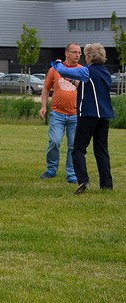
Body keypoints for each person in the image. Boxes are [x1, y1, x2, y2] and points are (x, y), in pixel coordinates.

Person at [51, 43, 114, 194]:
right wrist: (73, 82)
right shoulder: (105, 72)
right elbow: (92, 86)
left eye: (86, 55)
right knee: (101, 151)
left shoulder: (86, 71)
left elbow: (61, 70)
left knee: (78, 149)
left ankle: (83, 180)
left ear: (91, 57)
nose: (84, 57)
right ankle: (107, 185)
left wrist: (57, 62)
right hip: (104, 115)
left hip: (88, 114)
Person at [38, 43, 82, 184]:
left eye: (79, 52)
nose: (77, 55)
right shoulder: (55, 70)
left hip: (75, 114)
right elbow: (45, 89)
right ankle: (51, 169)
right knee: (55, 141)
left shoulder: (82, 70)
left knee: (73, 145)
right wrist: (44, 106)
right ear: (66, 53)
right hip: (57, 113)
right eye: (74, 52)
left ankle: (72, 173)